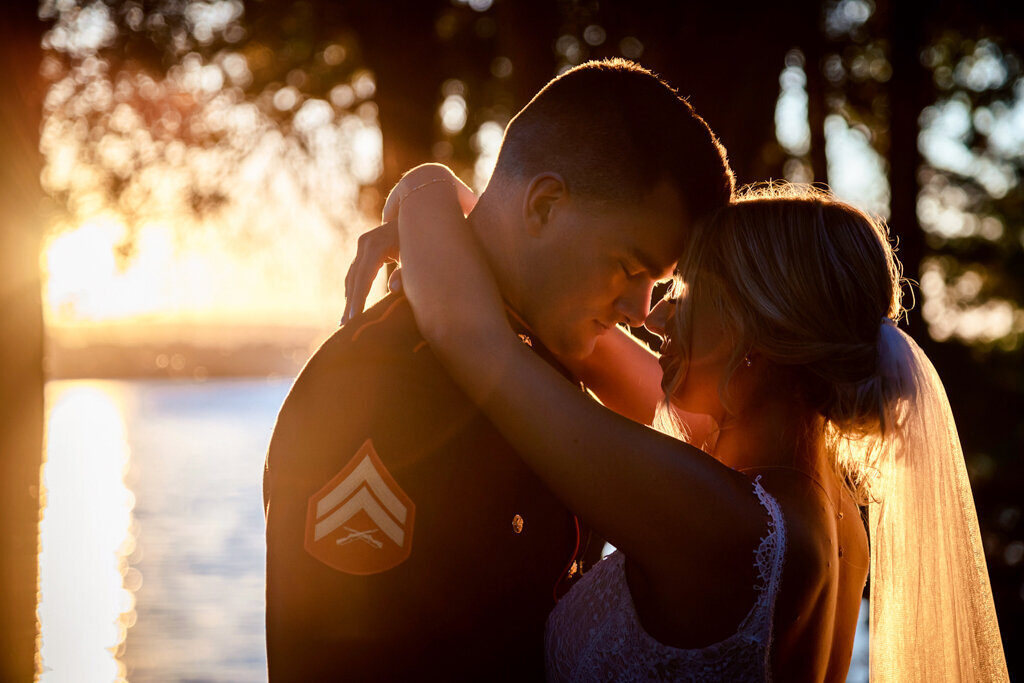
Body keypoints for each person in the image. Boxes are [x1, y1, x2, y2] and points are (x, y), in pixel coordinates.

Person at [345, 168, 1009, 680]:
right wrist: (473, 215)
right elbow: (586, 338)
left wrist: (424, 192)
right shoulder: (811, 499)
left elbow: (473, 340)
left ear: (757, 333)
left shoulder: (730, 527)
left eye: (689, 292)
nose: (655, 317)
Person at [262, 59, 734, 680]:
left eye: (658, 283)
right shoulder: (383, 386)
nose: (639, 312)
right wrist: (431, 195)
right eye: (629, 267)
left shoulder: (541, 356)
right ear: (543, 205)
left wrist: (432, 191)